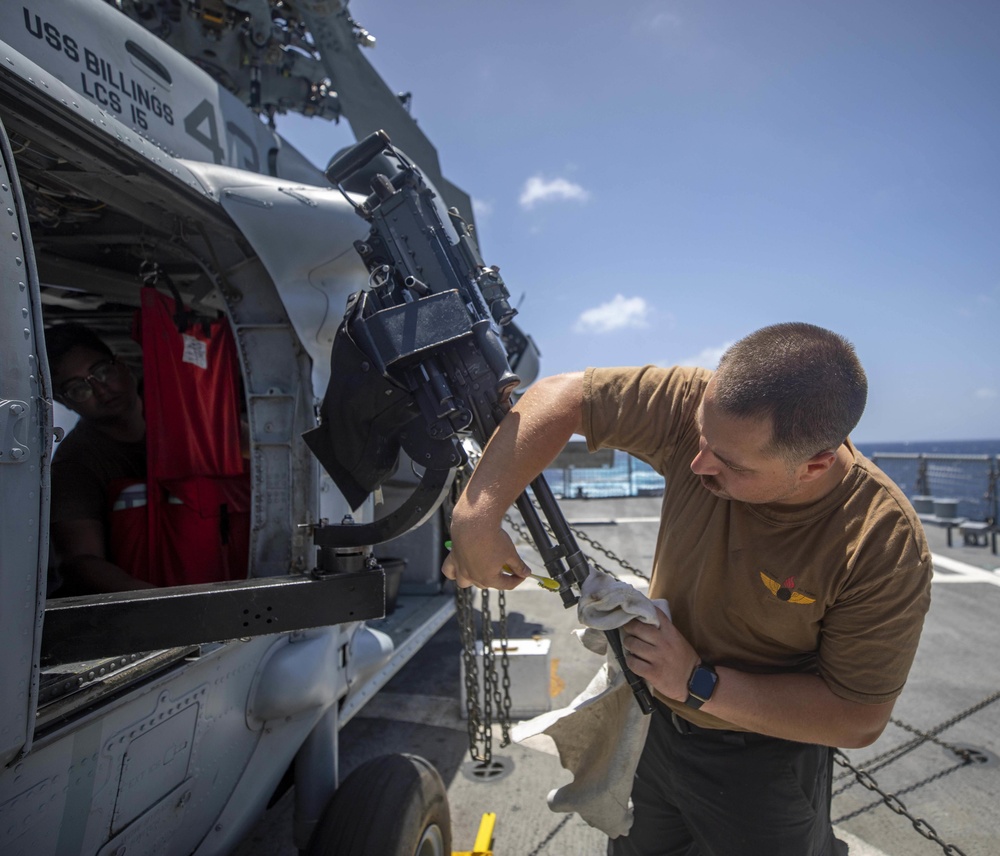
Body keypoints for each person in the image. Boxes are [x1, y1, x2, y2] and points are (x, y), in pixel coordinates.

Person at [442, 322, 932, 856]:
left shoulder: (880, 543)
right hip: (652, 725)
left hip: (763, 759)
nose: (698, 464)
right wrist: (475, 519)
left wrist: (697, 683)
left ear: (812, 467)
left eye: (731, 464)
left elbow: (857, 718)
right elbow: (561, 396)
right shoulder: (695, 406)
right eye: (702, 438)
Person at [46, 323, 155, 593]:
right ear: (64, 403)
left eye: (102, 372)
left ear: (121, 364)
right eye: (77, 388)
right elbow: (80, 561)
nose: (101, 390)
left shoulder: (183, 412)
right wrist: (161, 602)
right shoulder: (74, 465)